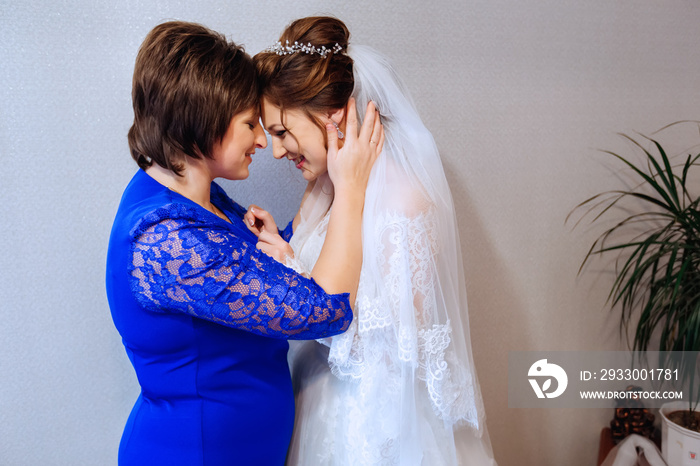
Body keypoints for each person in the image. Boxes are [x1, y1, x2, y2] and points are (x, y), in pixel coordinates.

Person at [105, 21, 382, 465]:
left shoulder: (189, 195)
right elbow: (326, 309)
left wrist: (295, 221)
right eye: (250, 123)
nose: (260, 140)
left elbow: (251, 284)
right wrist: (350, 189)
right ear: (203, 119)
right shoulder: (167, 239)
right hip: (199, 453)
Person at [251, 16, 497, 465]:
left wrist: (290, 266)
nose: (278, 150)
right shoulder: (327, 187)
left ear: (335, 115)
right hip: (319, 394)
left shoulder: (405, 201)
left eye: (283, 132)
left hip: (371, 424)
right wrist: (281, 245)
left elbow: (398, 349)